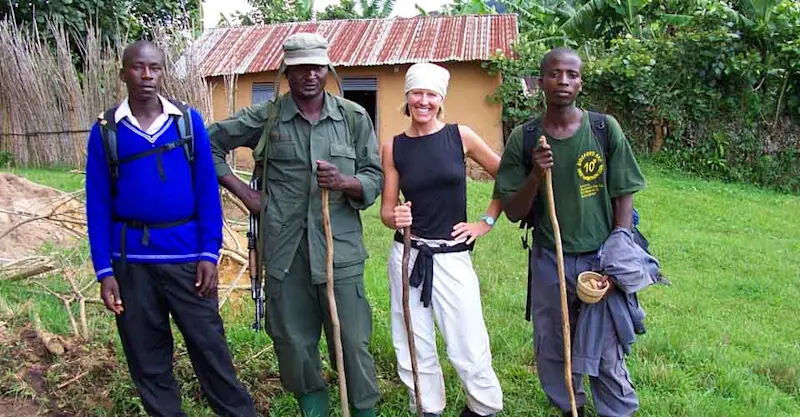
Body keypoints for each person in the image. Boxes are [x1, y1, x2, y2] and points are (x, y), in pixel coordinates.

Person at [206, 33, 383, 417]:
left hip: (341, 254)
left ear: (327, 69)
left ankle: (363, 410)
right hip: (285, 253)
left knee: (352, 342)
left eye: (316, 67)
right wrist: (245, 194)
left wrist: (346, 182)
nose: (309, 75)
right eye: (300, 68)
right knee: (295, 343)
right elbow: (208, 144)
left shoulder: (352, 118)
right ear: (287, 72)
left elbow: (374, 177)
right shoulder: (266, 118)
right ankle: (313, 410)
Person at [85, 40, 256, 417]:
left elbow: (206, 192)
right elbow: (97, 203)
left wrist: (209, 252)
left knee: (212, 352)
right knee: (148, 360)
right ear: (123, 72)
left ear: (163, 71)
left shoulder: (187, 121)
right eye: (138, 68)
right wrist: (104, 271)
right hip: (130, 262)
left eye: (154, 68)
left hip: (186, 259)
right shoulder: (106, 130)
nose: (146, 76)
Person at [492, 47, 647, 417]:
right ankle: (569, 406)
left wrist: (619, 246)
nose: (563, 81)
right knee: (554, 341)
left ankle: (617, 410)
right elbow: (513, 211)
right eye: (555, 74)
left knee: (605, 341)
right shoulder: (525, 137)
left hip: (600, 256)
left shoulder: (602, 128)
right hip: (550, 257)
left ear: (580, 82)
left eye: (572, 75)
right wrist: (535, 175)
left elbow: (623, 191)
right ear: (540, 81)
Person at [379, 62, 504, 417]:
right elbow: (387, 211)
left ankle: (483, 407)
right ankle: (426, 406)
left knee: (468, 339)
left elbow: (507, 176)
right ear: (407, 97)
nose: (423, 101)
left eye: (431, 94)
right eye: (417, 93)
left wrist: (485, 221)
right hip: (409, 256)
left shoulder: (459, 136)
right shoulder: (394, 147)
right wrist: (395, 217)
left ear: (440, 99)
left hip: (451, 256)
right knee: (413, 341)